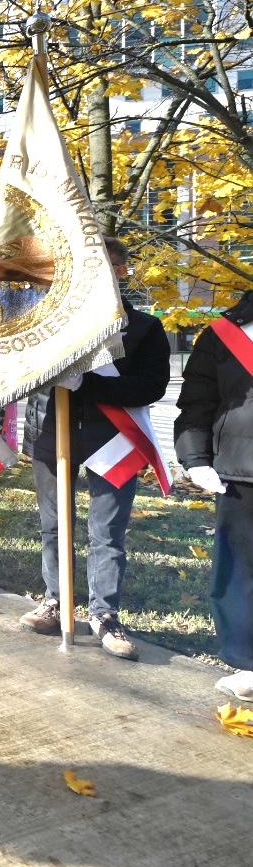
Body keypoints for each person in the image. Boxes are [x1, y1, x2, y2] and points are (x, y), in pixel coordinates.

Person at [19, 238, 169, 659]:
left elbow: (150, 387)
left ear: (121, 271)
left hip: (113, 439)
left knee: (107, 533)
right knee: (53, 526)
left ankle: (105, 614)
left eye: (106, 265)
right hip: (51, 433)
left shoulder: (144, 328)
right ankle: (56, 600)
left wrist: (89, 383)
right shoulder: (48, 321)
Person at [175, 288, 253, 698]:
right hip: (242, 469)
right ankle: (248, 663)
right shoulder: (224, 333)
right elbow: (198, 400)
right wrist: (196, 458)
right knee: (240, 571)